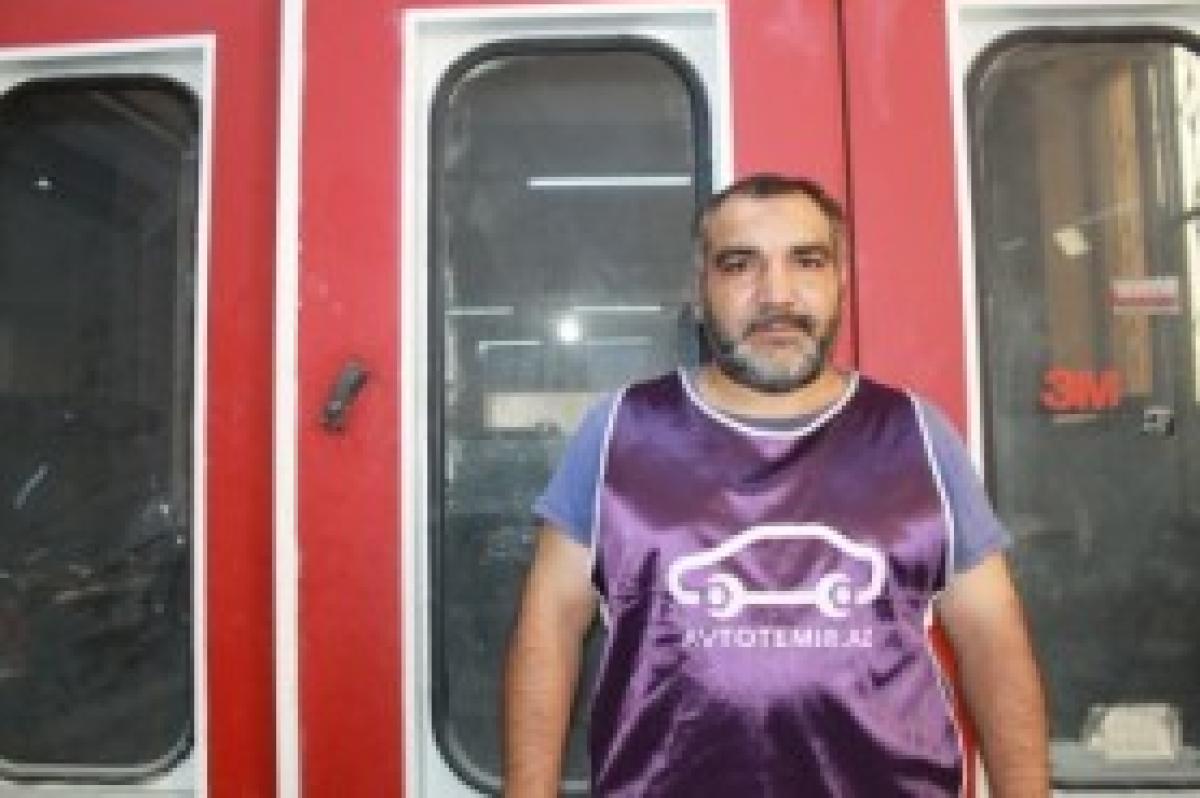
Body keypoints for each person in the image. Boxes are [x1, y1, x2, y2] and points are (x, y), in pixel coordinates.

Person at [502, 173, 1048, 797]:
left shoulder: (917, 434)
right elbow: (549, 625)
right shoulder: (620, 431)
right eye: (740, 265)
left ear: (841, 280)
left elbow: (992, 638)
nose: (777, 294)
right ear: (699, 290)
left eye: (806, 261)